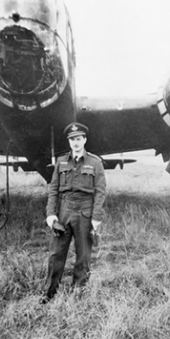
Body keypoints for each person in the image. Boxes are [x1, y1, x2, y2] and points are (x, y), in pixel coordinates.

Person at [41, 122, 107, 303]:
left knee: (83, 255)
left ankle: (78, 291)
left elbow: (100, 192)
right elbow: (53, 189)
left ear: (84, 140)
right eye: (72, 139)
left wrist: (96, 217)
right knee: (56, 253)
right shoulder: (61, 162)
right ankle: (49, 292)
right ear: (69, 142)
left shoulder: (95, 162)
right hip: (64, 211)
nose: (75, 143)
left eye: (78, 139)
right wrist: (50, 214)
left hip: (85, 212)